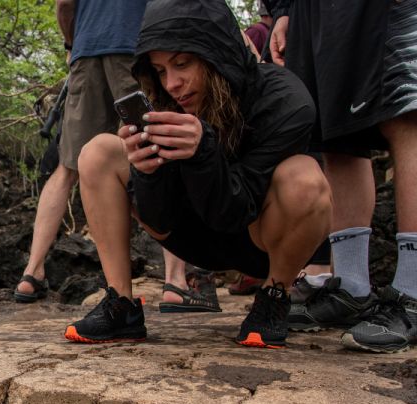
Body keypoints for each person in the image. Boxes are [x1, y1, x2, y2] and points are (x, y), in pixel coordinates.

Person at [63, 0, 332, 349]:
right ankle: (122, 306)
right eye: (160, 71)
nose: (172, 84)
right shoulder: (163, 100)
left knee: (306, 176)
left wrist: (205, 149)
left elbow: (232, 215)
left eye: (182, 64)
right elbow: (159, 221)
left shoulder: (285, 100)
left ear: (216, 54)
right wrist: (148, 171)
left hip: (254, 239)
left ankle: (273, 298)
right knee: (99, 151)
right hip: (185, 231)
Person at [16, 0, 217, 314]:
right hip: (136, 46)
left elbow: (65, 4)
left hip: (86, 51)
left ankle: (32, 272)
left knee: (67, 168)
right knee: (159, 151)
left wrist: (71, 43)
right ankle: (175, 282)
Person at [269, 0, 417, 352]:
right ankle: (351, 287)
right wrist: (284, 9)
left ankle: (413, 290)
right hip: (316, 11)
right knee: (337, 135)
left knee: (406, 114)